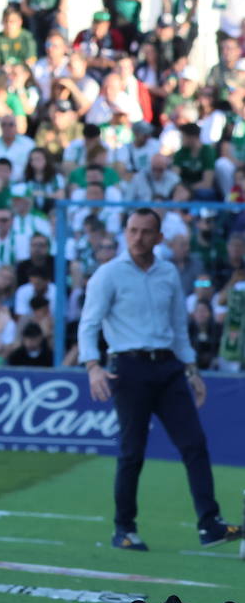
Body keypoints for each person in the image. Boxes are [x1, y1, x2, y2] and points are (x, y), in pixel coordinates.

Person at [78, 207, 241, 552]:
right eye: (133, 230)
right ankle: (124, 529)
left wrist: (192, 370)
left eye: (146, 232)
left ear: (159, 237)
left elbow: (179, 329)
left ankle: (209, 524)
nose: (138, 237)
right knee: (132, 452)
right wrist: (93, 366)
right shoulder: (107, 275)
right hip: (128, 367)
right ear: (125, 232)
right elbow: (88, 325)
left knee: (195, 444)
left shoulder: (167, 272)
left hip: (168, 368)